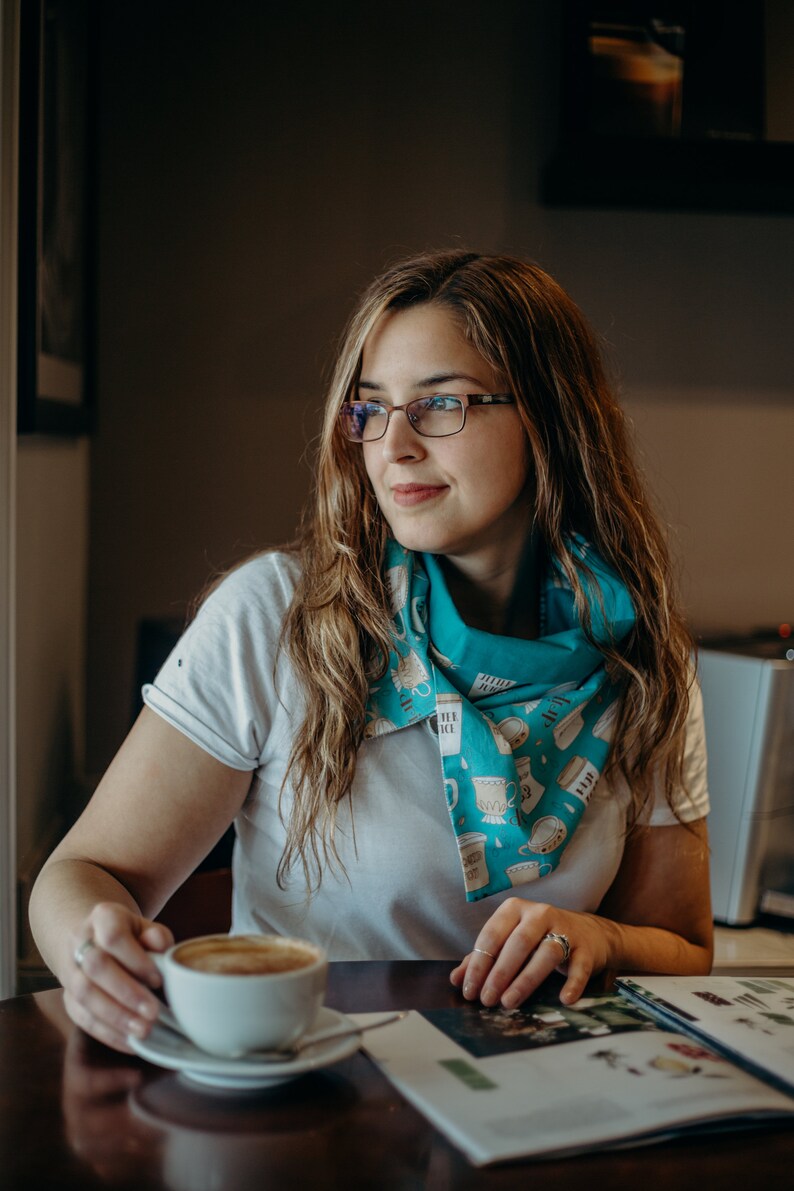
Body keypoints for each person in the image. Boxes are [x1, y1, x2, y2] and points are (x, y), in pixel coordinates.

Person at [30, 250, 712, 1054]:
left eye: (442, 404)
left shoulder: (640, 656)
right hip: (311, 1096)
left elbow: (684, 949)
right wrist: (91, 947)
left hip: (539, 1099)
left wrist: (601, 938)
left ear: (552, 417)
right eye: (372, 408)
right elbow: (81, 874)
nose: (393, 446)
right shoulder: (274, 619)